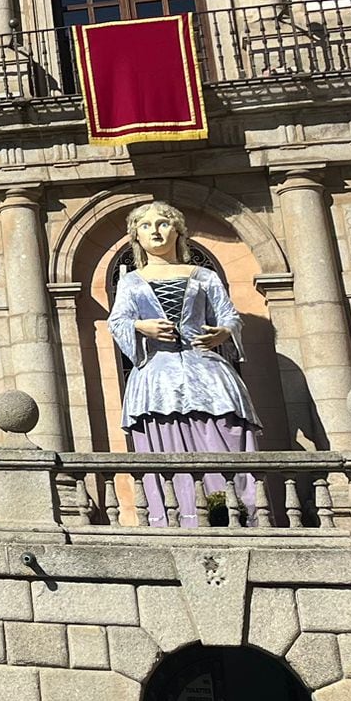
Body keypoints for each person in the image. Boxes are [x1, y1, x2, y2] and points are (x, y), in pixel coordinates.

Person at [106, 200, 259, 527]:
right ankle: (177, 521)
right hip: (157, 379)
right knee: (168, 456)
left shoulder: (203, 276)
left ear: (178, 230)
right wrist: (138, 326)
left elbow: (229, 315)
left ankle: (233, 516)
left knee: (226, 441)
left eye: (163, 223)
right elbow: (117, 321)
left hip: (207, 373)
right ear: (137, 237)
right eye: (145, 226)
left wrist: (223, 332)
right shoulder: (132, 282)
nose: (155, 231)